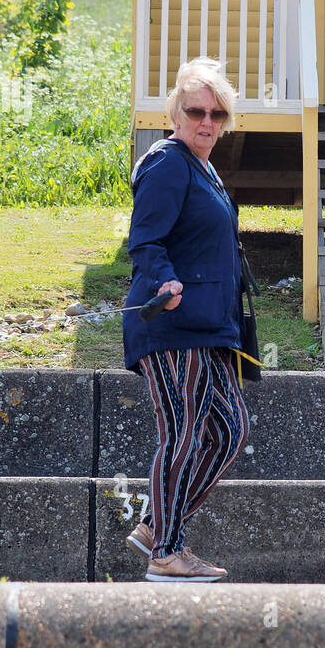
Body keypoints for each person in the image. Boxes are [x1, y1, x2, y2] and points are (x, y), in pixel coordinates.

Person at [122, 57, 249, 582]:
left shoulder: (205, 167)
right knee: (184, 434)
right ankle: (166, 552)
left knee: (230, 431)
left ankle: (156, 525)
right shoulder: (167, 162)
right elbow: (145, 239)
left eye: (217, 115)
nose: (206, 122)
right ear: (175, 111)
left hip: (209, 327)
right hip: (172, 323)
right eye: (196, 110)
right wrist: (165, 283)